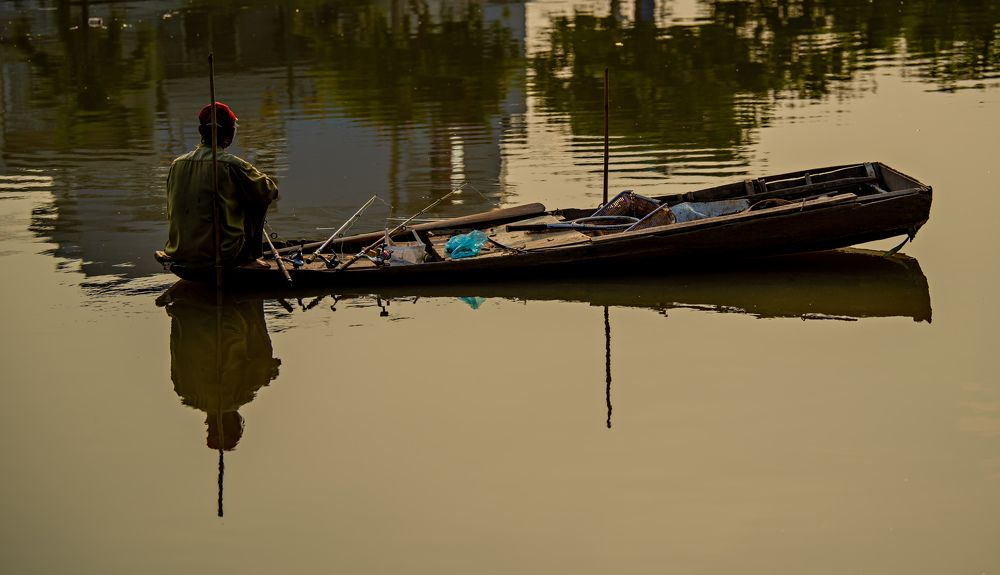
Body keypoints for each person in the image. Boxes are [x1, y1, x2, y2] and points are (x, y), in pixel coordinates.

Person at [163, 102, 279, 268]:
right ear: (230, 134)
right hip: (222, 255)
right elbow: (270, 191)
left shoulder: (177, 164)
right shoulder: (231, 165)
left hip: (179, 251)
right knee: (259, 196)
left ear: (201, 132)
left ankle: (188, 250)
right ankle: (247, 258)